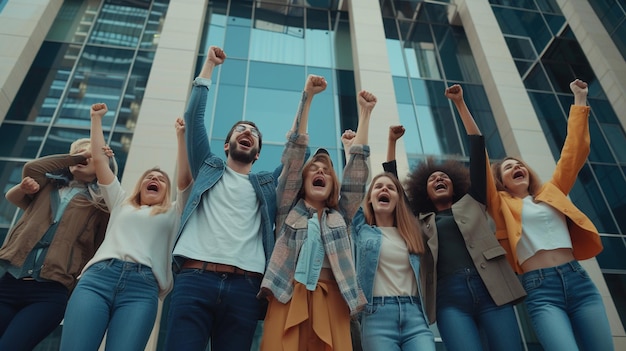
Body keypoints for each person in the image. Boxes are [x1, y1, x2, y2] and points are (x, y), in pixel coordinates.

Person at [163, 46, 278, 351]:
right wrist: (209, 67)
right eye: (240, 129)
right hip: (195, 279)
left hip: (245, 288)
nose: (247, 132)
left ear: (258, 152)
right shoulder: (208, 166)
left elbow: (295, 159)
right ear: (227, 145)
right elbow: (193, 117)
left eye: (253, 132)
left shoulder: (267, 187)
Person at [487, 79, 614, 351]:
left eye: (518, 164)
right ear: (502, 183)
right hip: (541, 290)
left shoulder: (551, 191)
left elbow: (573, 153)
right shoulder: (500, 204)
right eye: (508, 168)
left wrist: (580, 99)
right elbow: (482, 179)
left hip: (579, 281)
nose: (516, 167)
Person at [398, 84, 526, 351]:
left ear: (456, 184)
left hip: (492, 289)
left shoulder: (474, 200)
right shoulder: (419, 219)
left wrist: (459, 104)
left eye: (444, 176)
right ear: (424, 191)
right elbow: (394, 190)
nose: (439, 178)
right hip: (449, 300)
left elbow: (478, 150)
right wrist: (391, 144)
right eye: (433, 179)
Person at [59, 103, 191, 350]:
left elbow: (185, 181)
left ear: (167, 190)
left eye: (161, 179)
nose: (154, 179)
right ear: (140, 185)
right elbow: (99, 161)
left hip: (142, 290)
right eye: (150, 177)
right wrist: (96, 119)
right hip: (97, 280)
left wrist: (180, 137)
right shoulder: (120, 202)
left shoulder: (175, 212)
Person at [258, 76, 374, 351]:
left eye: (327, 170)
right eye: (314, 168)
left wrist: (365, 114)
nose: (320, 171)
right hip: (287, 294)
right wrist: (307, 97)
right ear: (303, 178)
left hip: (333, 298)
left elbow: (357, 176)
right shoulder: (288, 207)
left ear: (334, 183)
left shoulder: (341, 215)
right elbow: (295, 152)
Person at [0, 138, 114, 351]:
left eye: (91, 155)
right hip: (9, 282)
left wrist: (102, 161)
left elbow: (98, 248)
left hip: (49, 293)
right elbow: (32, 167)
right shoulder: (47, 185)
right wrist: (80, 156)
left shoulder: (101, 204)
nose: (84, 156)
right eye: (79, 153)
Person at [352, 169, 435, 351]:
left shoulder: (413, 233)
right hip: (376, 316)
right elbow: (351, 193)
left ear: (398, 199)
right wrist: (351, 150)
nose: (384, 190)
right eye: (378, 187)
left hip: (415, 315)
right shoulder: (362, 230)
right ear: (369, 199)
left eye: (391, 188)